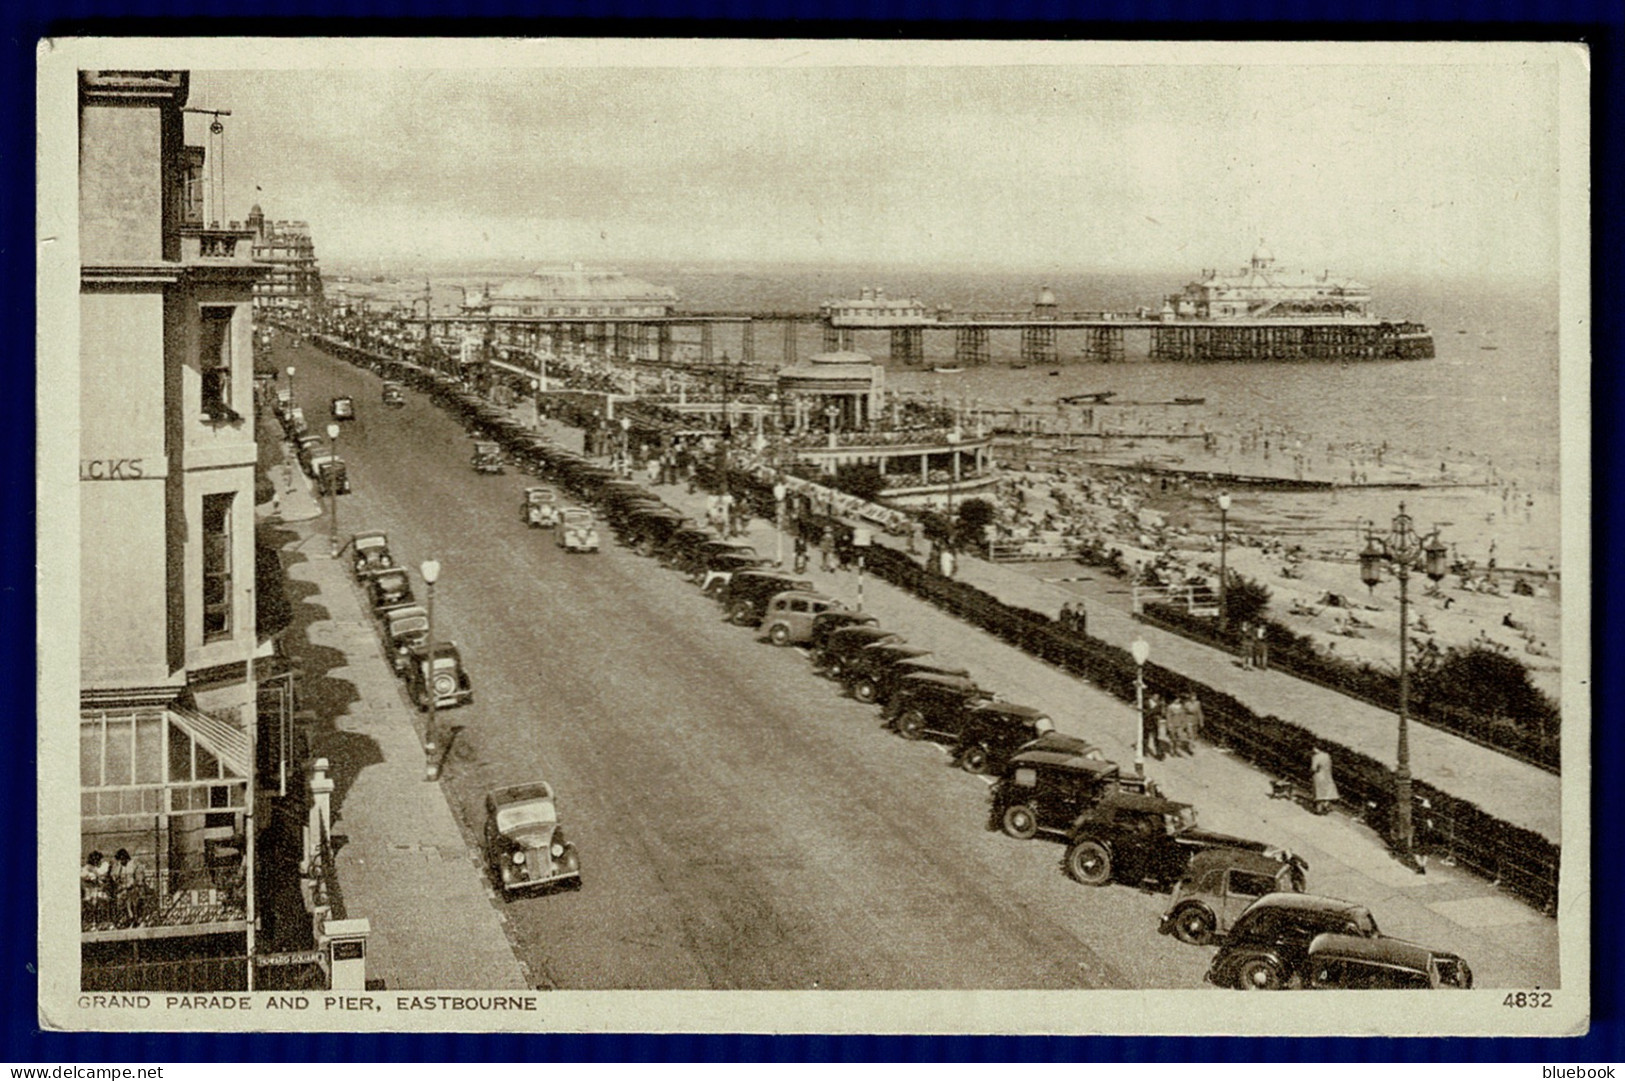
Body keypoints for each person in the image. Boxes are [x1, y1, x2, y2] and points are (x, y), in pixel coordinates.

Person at [112, 848, 148, 926]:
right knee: (120, 899)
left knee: (131, 899)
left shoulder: (133, 865)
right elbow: (116, 878)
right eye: (120, 860)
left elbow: (137, 879)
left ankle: (134, 918)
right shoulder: (120, 867)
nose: (121, 861)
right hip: (124, 889)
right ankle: (124, 918)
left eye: (122, 859)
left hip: (134, 889)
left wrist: (129, 885)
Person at [1311, 747, 1339, 815]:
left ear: (1316, 748)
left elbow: (1313, 768)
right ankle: (1325, 805)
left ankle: (1319, 810)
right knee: (1327, 792)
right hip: (1327, 775)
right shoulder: (1327, 755)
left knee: (1319, 792)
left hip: (1319, 775)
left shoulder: (1316, 756)